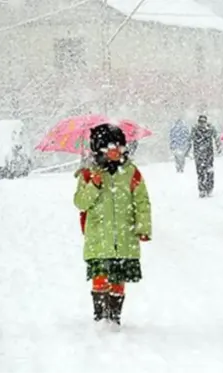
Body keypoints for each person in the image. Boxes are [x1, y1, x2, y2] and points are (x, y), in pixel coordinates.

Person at [73, 123, 152, 326]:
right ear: (99, 149)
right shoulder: (89, 174)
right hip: (99, 237)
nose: (116, 151)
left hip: (124, 236)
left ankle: (114, 316)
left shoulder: (131, 172)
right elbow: (80, 202)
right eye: (111, 147)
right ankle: (100, 316)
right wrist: (94, 184)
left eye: (120, 146)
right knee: (100, 276)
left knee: (118, 278)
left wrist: (143, 227)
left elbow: (141, 201)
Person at [192, 115, 217, 197]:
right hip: (199, 153)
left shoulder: (210, 129)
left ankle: (209, 189)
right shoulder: (195, 129)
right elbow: (190, 139)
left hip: (208, 153)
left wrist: (218, 145)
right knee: (200, 172)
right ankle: (202, 189)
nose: (202, 124)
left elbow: (216, 138)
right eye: (201, 122)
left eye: (204, 122)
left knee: (209, 171)